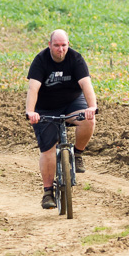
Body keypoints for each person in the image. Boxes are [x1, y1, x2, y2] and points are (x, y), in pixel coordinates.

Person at [26, 29, 98, 209]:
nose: (60, 49)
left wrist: (92, 107)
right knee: (48, 149)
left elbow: (86, 84)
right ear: (49, 45)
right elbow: (33, 89)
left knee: (88, 120)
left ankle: (78, 153)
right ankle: (48, 192)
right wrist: (31, 111)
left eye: (64, 45)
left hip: (71, 102)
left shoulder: (75, 59)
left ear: (68, 45)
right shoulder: (41, 60)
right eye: (56, 45)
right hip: (45, 107)